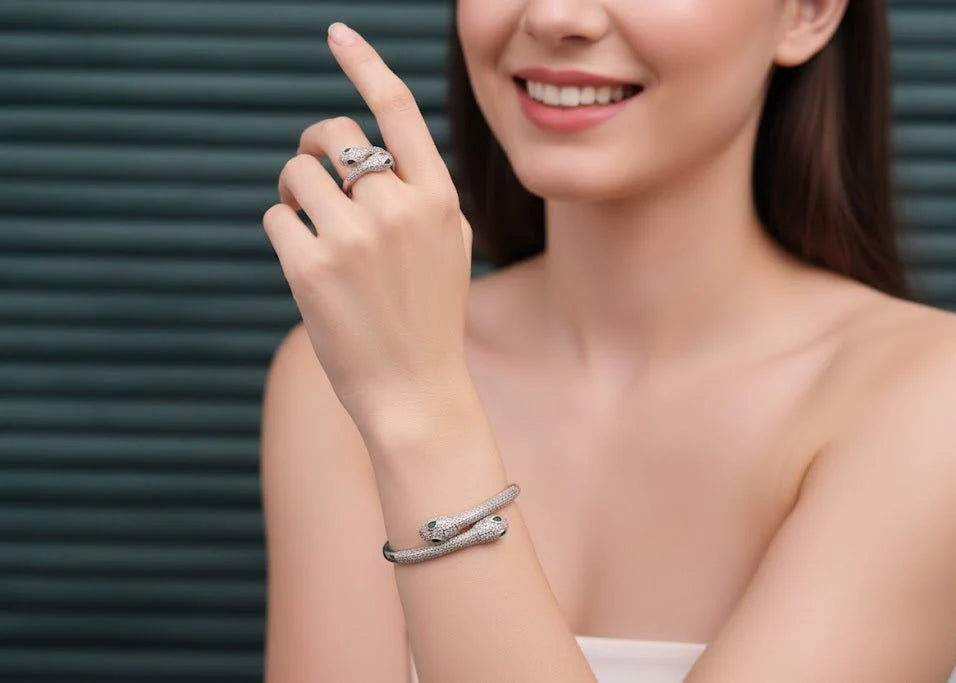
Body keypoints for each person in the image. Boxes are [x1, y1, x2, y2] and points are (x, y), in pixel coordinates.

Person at [259, 1, 956, 681]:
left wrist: (421, 414)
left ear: (807, 12)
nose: (557, 16)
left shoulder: (930, 400)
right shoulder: (341, 372)